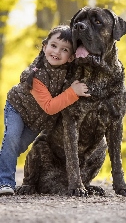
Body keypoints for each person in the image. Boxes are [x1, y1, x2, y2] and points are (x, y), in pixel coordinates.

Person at [0, 25, 90, 195]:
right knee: (11, 139)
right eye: (53, 46)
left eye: (64, 50)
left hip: (37, 120)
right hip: (18, 109)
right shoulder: (35, 75)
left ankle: (3, 164)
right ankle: (5, 182)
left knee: (16, 147)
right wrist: (73, 92)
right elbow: (50, 107)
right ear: (44, 46)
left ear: (71, 58)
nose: (57, 52)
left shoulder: (69, 72)